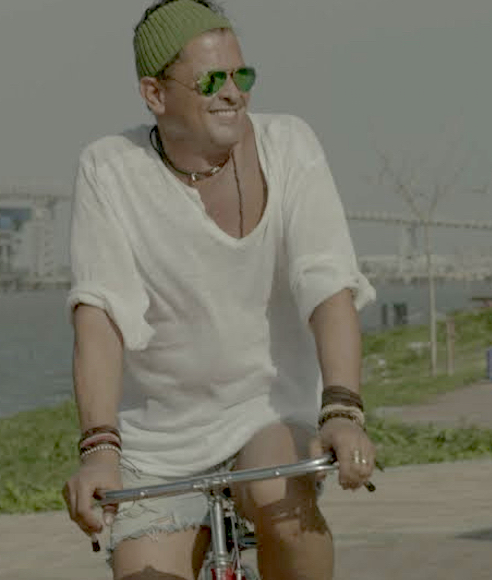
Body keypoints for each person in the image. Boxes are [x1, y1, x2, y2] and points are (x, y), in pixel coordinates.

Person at [60, 2, 377, 579]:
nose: (234, 93)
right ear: (155, 94)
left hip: (267, 414)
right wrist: (100, 451)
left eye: (242, 75)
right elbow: (99, 316)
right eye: (211, 81)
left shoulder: (290, 145)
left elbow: (328, 287)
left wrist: (342, 411)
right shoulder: (109, 170)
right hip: (162, 440)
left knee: (284, 510)